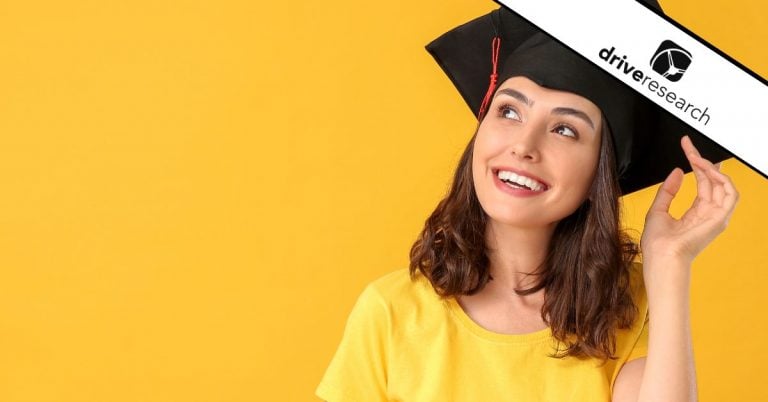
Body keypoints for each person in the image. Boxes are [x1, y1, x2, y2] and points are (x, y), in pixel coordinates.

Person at [316, 3, 737, 401]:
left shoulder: (630, 307)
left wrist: (670, 262)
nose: (523, 146)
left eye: (566, 130)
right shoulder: (391, 312)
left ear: (599, 175)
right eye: (510, 112)